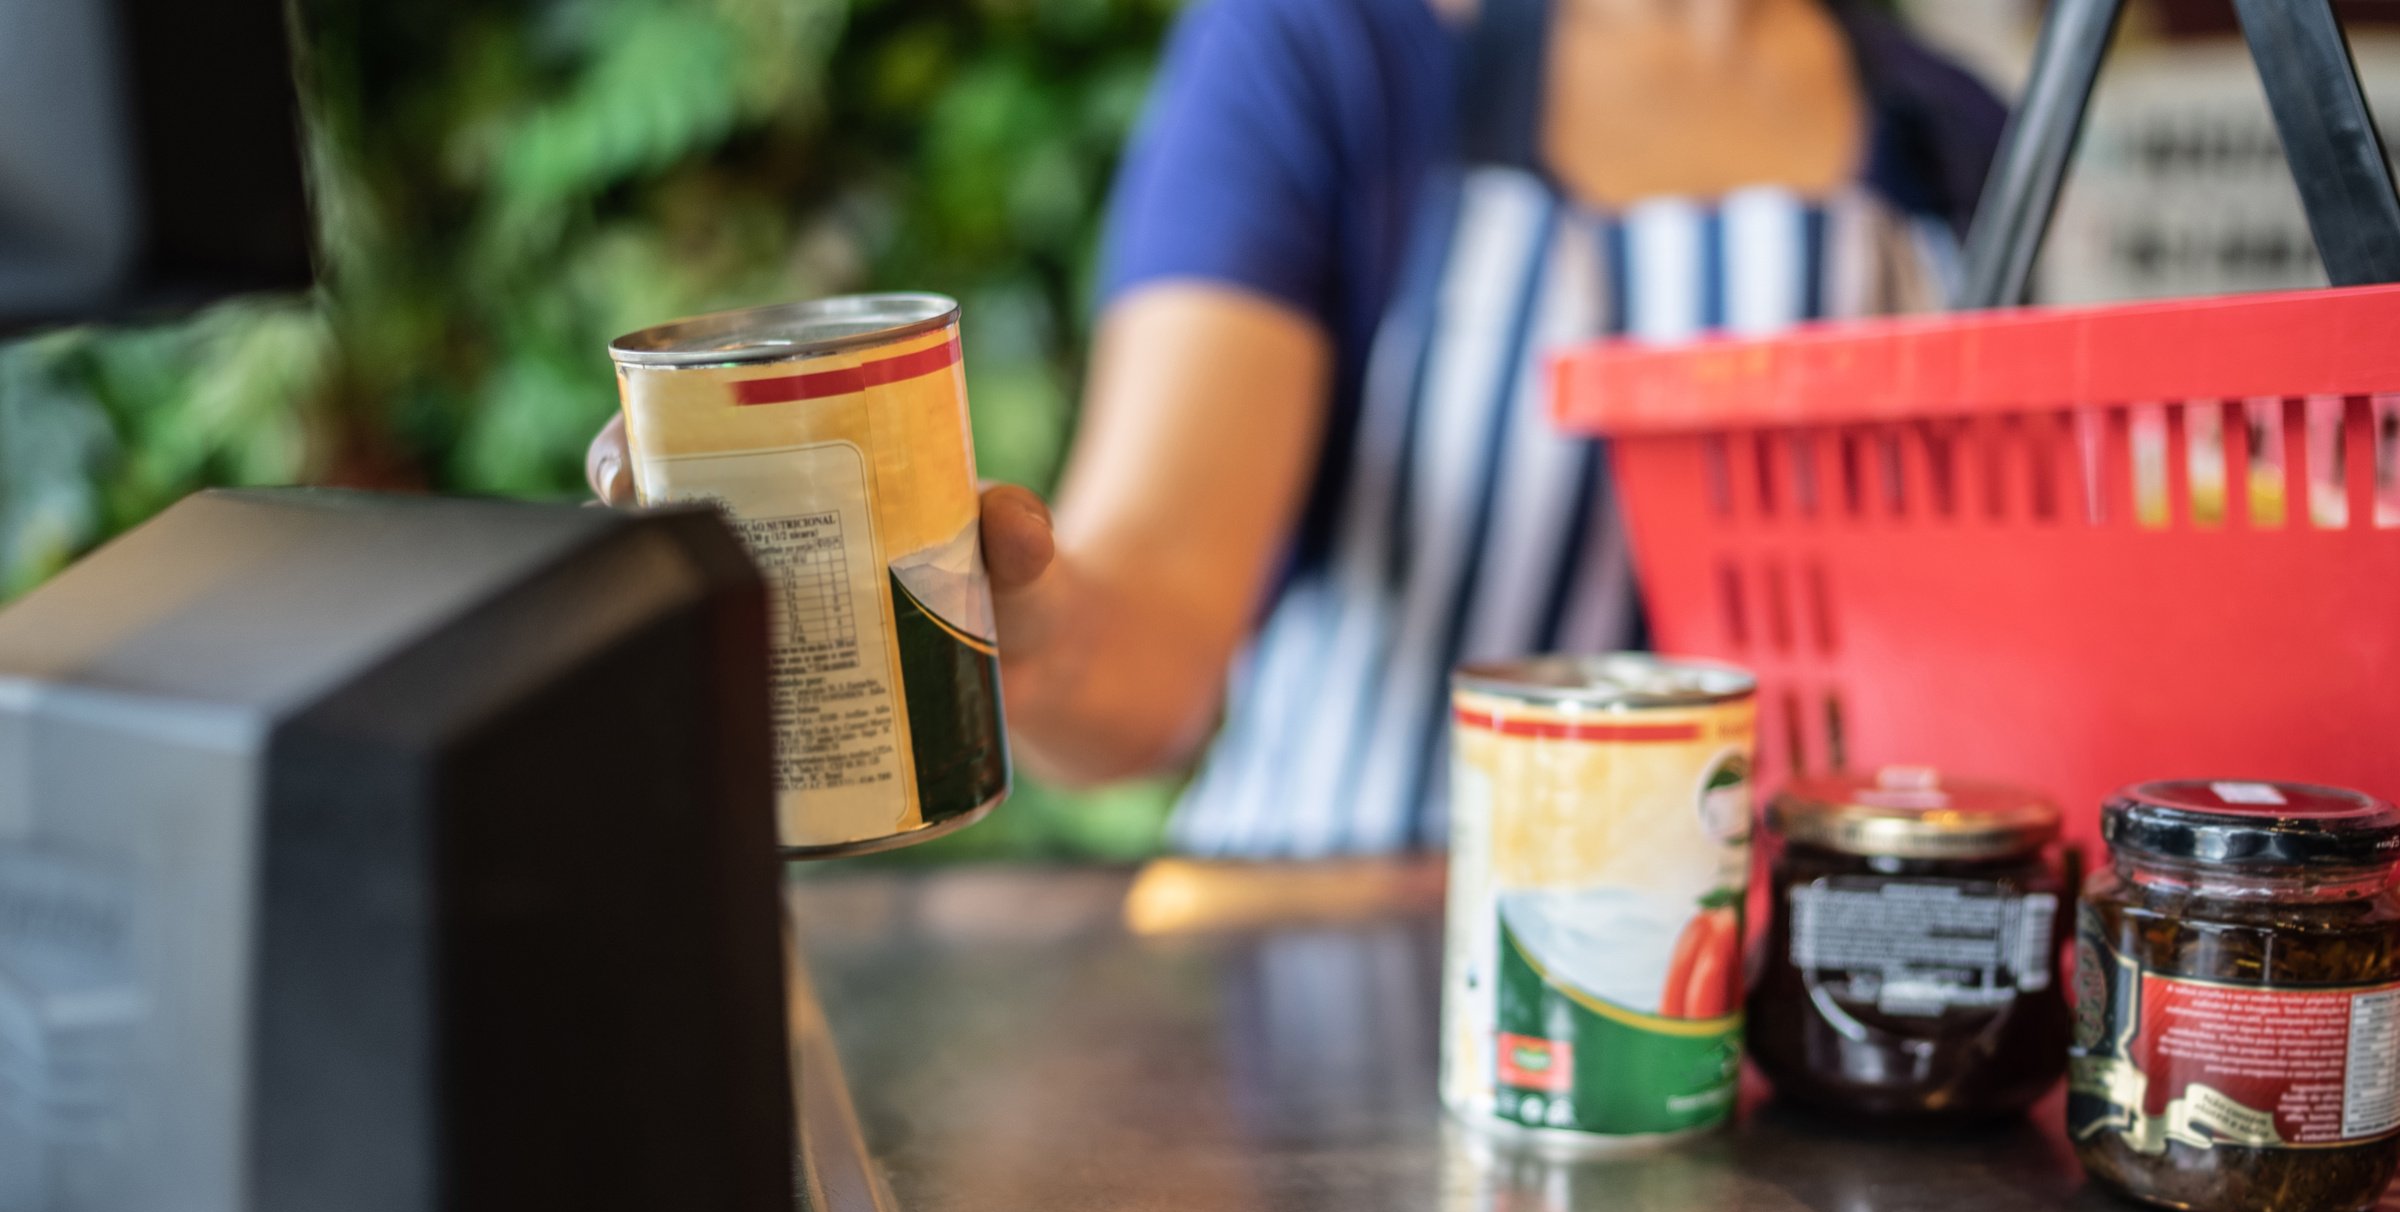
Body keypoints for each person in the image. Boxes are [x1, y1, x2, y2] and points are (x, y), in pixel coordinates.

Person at [589, 0, 2003, 857]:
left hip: (1772, 1013)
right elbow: (1146, 661)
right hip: (1323, 1006)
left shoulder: (1962, 140)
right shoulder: (1322, 51)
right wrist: (980, 605)